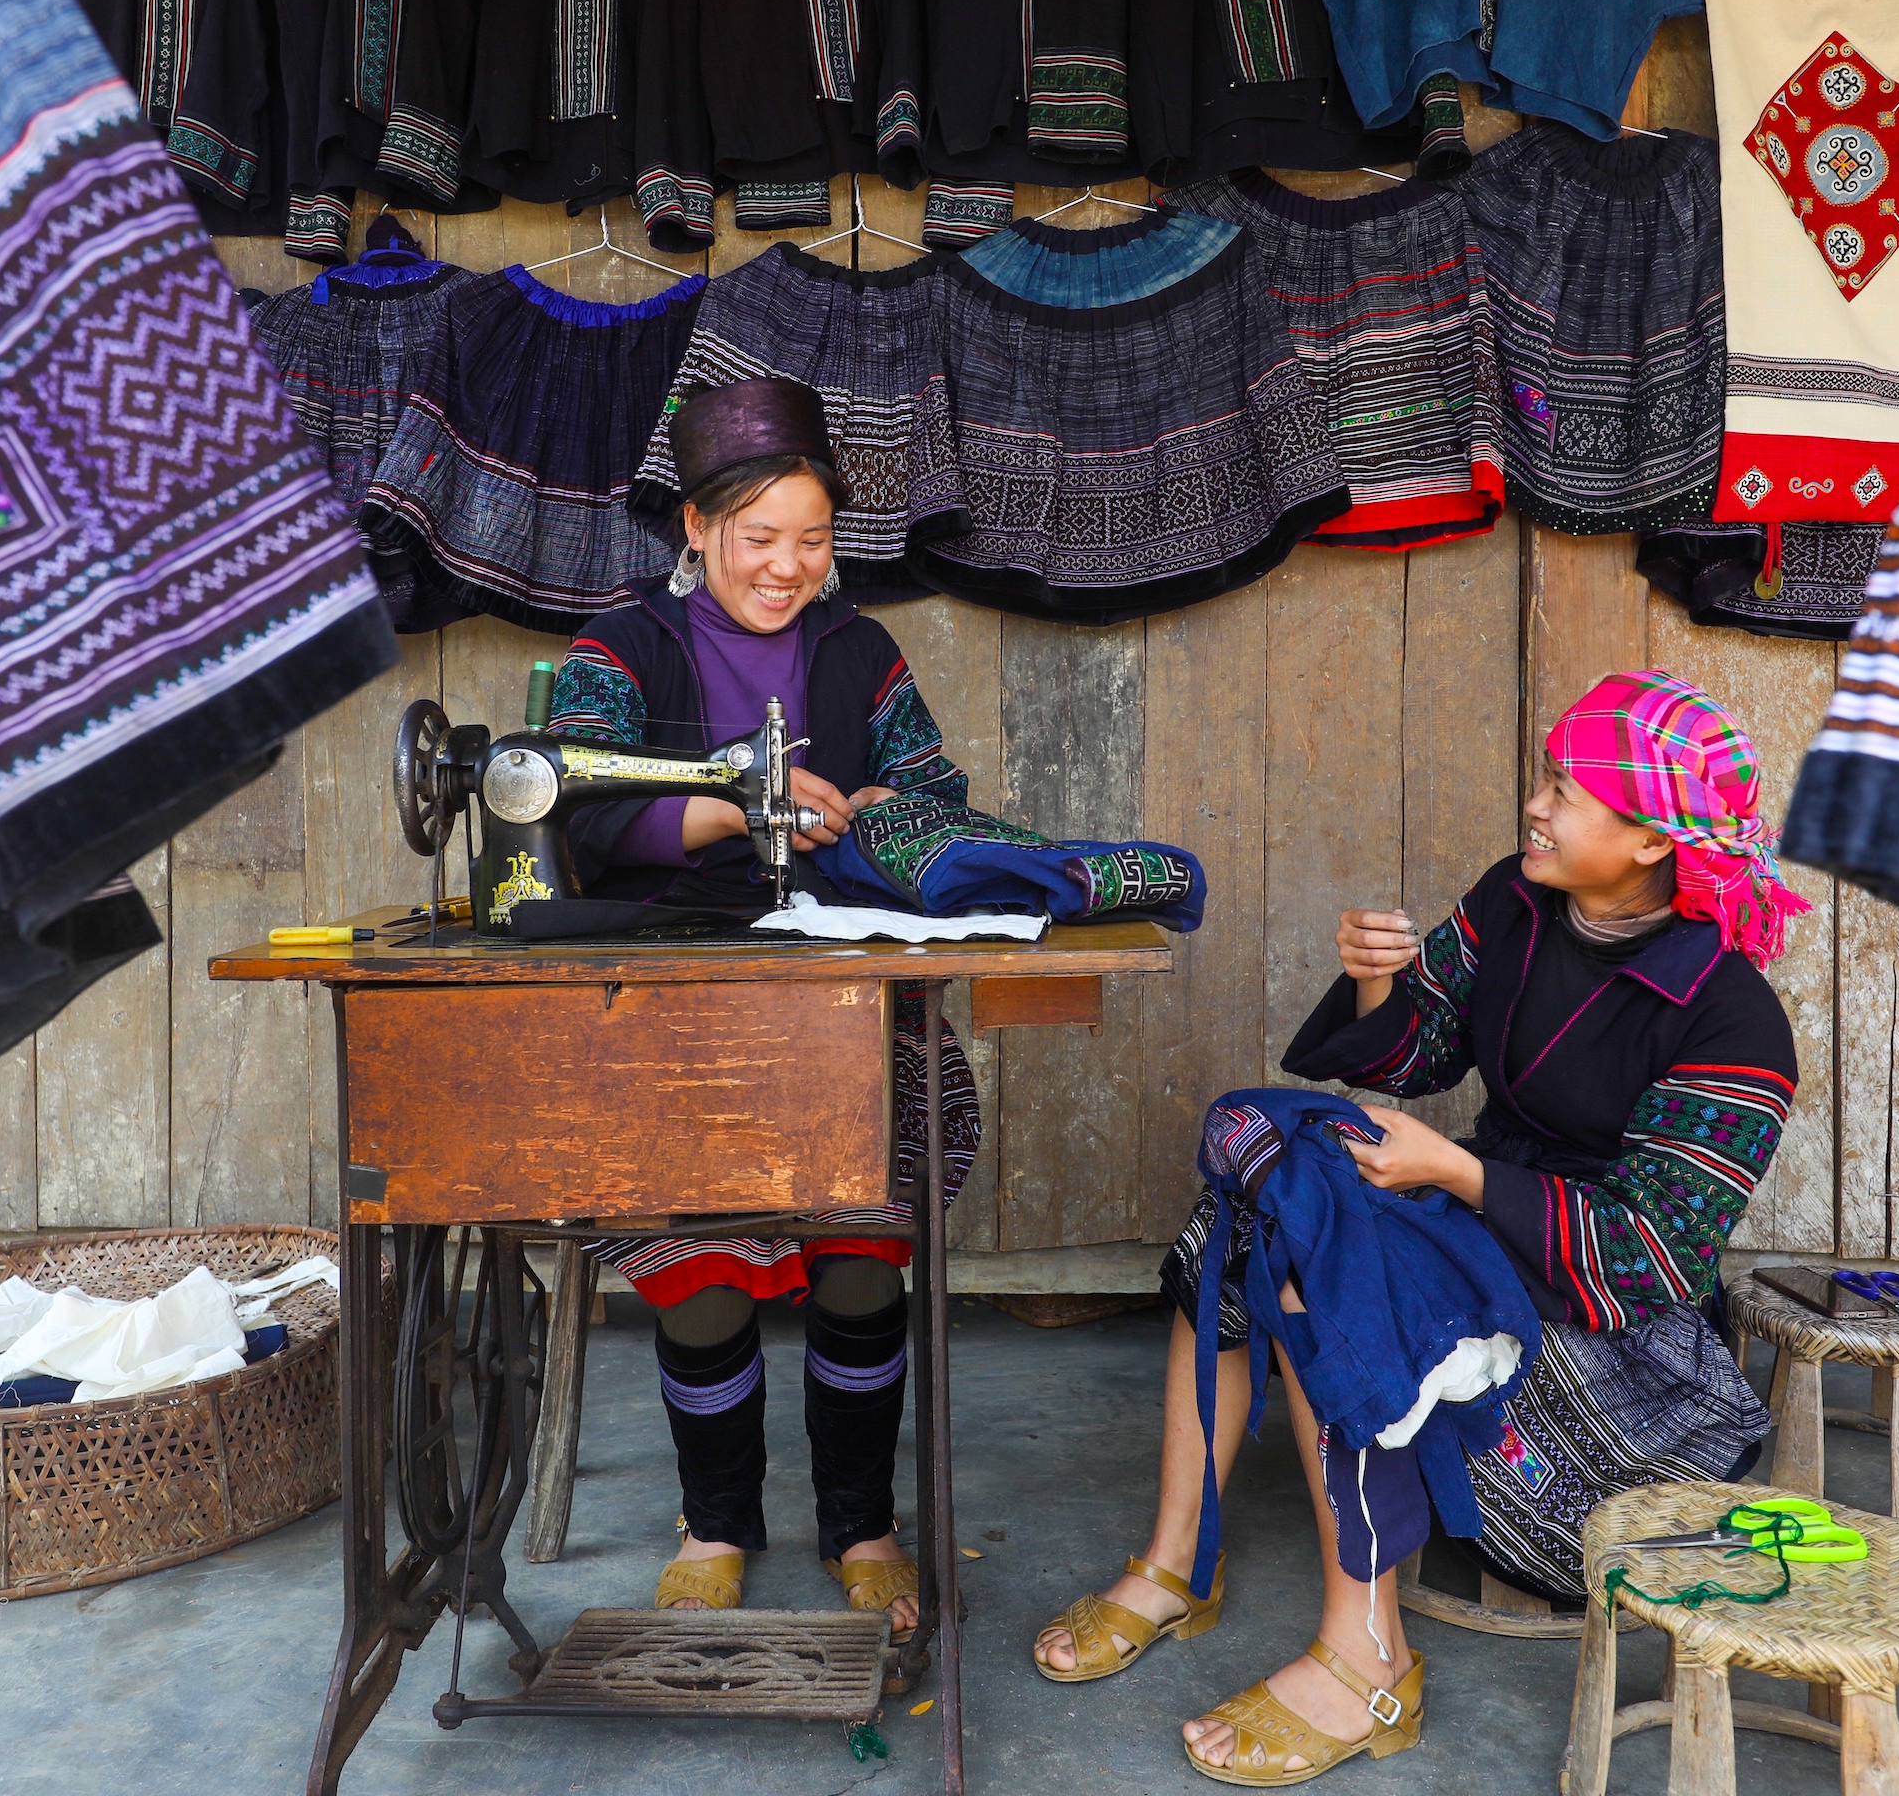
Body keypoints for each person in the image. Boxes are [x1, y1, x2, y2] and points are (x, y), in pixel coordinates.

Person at [1033, 670, 1806, 1785]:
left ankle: (1370, 1655)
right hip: (1484, 1217)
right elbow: (1419, 1050)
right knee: (1257, 1205)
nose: (1537, 804)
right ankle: (1173, 1561)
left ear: (1648, 840)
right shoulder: (1518, 900)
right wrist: (1374, 986)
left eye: (1570, 790)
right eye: (1546, 776)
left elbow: (1650, 1254)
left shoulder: (1732, 1015)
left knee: (1325, 1265)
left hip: (1612, 1336)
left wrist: (1451, 1165)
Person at [545, 376, 979, 1637]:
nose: (790, 566)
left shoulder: (860, 651)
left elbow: (934, 788)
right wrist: (741, 805)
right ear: (695, 526)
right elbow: (576, 805)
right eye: (760, 538)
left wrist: (882, 811)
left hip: (844, 993)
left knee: (861, 1257)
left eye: (815, 539)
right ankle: (717, 1518)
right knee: (703, 1278)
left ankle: (862, 1518)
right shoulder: (619, 644)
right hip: (668, 998)